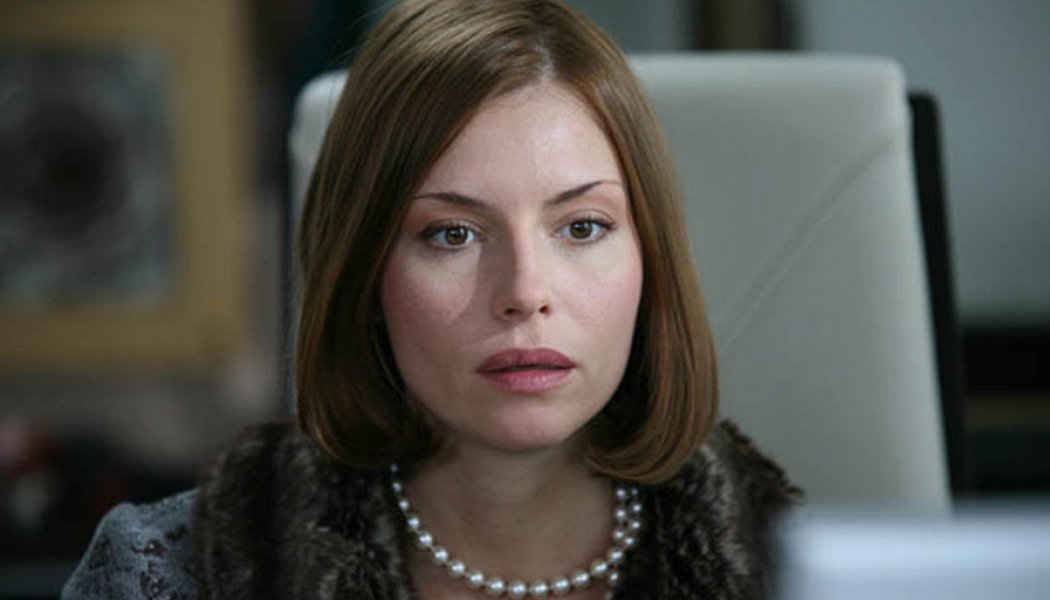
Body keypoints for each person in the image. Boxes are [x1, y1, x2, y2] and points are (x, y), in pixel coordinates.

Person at [63, 0, 800, 598]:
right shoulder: (170, 574)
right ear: (364, 274)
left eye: (582, 226)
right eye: (452, 234)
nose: (525, 293)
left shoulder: (802, 571)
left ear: (651, 262)